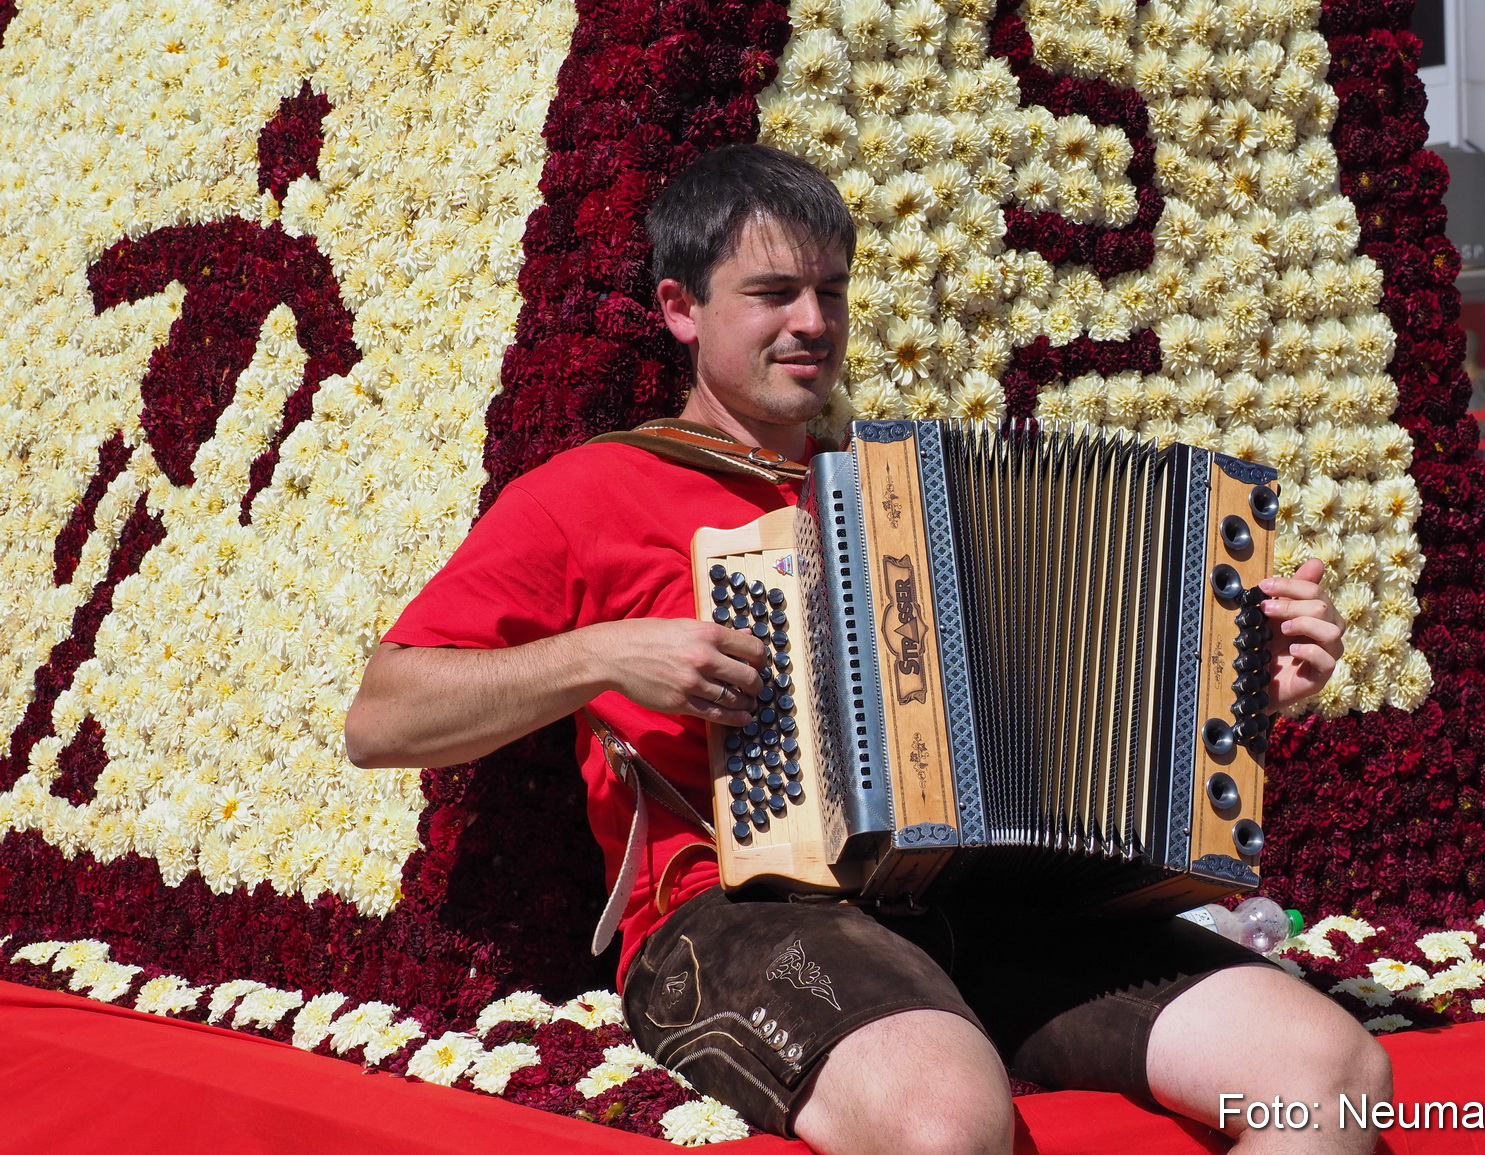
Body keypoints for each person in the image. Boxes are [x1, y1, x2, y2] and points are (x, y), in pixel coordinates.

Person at [346, 144, 1391, 1154]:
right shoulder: (585, 494)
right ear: (678, 309)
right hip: (733, 913)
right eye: (772, 293)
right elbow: (382, 718)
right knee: (938, 1123)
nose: (812, 323)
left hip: (988, 899)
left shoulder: (904, 499)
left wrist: (1250, 680)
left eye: (830, 292)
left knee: (1328, 1075)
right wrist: (602, 655)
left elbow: (1060, 708)